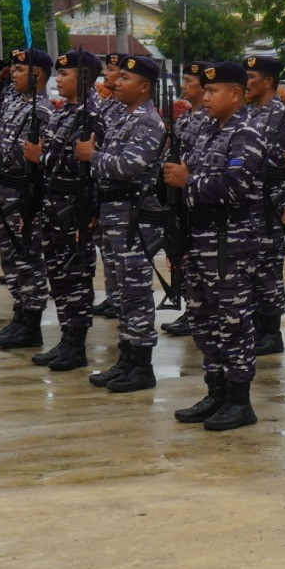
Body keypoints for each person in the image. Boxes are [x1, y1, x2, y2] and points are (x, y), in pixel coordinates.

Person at [164, 60, 275, 429]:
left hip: (230, 243)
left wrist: (188, 181)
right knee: (203, 320)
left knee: (233, 322)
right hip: (201, 241)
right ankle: (216, 391)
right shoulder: (210, 132)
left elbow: (235, 187)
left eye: (213, 91)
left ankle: (240, 400)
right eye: (205, 91)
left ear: (236, 94)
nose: (206, 97)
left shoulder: (247, 134)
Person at [86, 51, 169, 393]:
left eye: (125, 79)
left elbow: (129, 166)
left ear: (144, 86)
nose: (117, 83)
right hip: (114, 214)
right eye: (117, 78)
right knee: (121, 291)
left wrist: (92, 158)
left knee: (135, 291)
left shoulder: (148, 122)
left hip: (134, 217)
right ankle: (127, 359)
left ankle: (142, 366)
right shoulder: (123, 117)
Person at [26, 50, 102, 371]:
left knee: (76, 275)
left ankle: (77, 345)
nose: (58, 79)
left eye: (65, 74)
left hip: (74, 207)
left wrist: (38, 158)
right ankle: (66, 338)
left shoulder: (93, 114)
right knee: (57, 275)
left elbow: (78, 163)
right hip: (53, 204)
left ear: (83, 78)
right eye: (58, 74)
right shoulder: (63, 113)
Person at [0, 48, 51, 350]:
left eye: (20, 70)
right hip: (3, 190)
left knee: (27, 259)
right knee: (11, 260)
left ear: (37, 76)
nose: (13, 73)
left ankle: (31, 323)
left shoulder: (40, 110)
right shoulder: (16, 105)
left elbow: (19, 155)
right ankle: (19, 316)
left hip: (21, 193)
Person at [242, 54, 285, 358]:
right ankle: (257, 327)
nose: (247, 83)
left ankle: (271, 332)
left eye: (252, 78)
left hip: (271, 204)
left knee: (268, 270)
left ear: (268, 82)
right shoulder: (250, 114)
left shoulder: (283, 114)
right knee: (251, 267)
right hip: (249, 203)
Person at [161, 65, 212, 340]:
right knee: (184, 255)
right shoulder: (183, 119)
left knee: (197, 258)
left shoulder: (209, 119)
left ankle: (197, 313)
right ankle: (191, 310)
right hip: (180, 195)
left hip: (197, 193)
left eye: (189, 80)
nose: (184, 85)